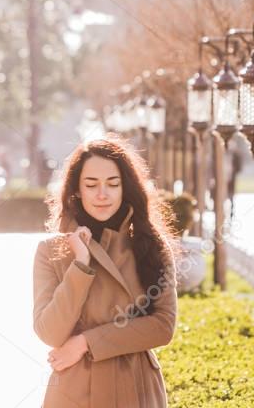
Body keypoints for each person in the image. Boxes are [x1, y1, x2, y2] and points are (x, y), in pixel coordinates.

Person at [32, 134, 178, 408]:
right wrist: (80, 265)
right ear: (76, 189)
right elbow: (50, 332)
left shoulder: (150, 247)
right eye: (91, 184)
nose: (102, 194)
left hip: (136, 387)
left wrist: (87, 342)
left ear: (126, 188)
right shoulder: (51, 251)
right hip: (74, 390)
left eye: (113, 184)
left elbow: (163, 327)